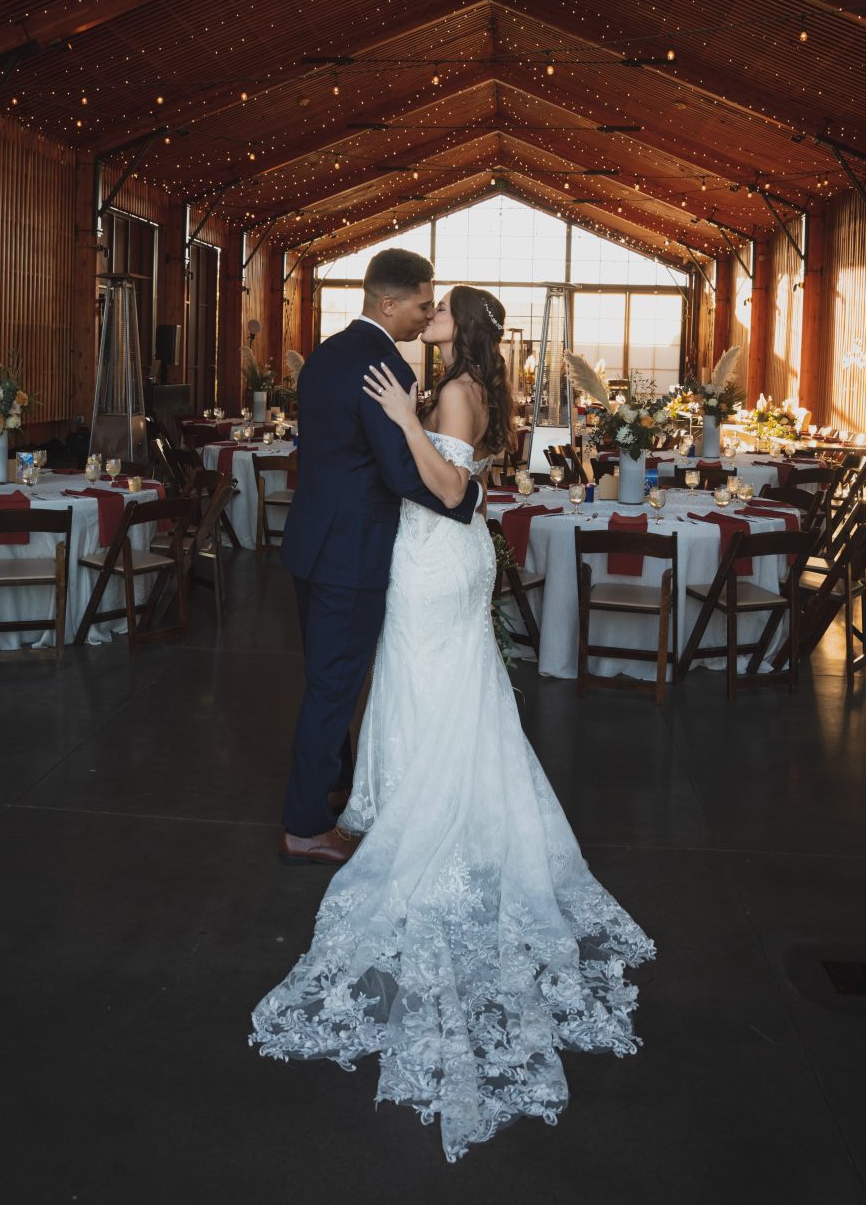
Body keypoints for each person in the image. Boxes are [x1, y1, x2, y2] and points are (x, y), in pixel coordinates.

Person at [252, 283, 654, 1162]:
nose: (425, 315)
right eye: (421, 305)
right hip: (437, 559)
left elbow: (450, 485)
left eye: (438, 310)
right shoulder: (463, 379)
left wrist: (402, 420)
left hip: (437, 556)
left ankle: (424, 810)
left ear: (456, 325)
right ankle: (404, 792)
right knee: (429, 685)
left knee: (426, 681)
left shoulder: (454, 389)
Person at [277, 248, 481, 867]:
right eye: (422, 304)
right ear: (387, 303)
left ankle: (334, 783)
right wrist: (462, 494)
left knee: (326, 680)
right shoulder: (385, 363)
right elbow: (397, 471)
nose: (426, 316)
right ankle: (306, 826)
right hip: (353, 552)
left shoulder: (325, 354)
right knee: (333, 691)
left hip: (311, 542)